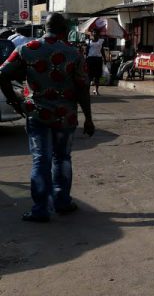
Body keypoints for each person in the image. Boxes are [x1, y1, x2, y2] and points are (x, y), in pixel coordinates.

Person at [0, 12, 95, 222]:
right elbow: (82, 89)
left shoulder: (26, 49)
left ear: (45, 29)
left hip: (36, 113)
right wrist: (88, 118)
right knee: (62, 158)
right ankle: (62, 202)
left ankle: (40, 209)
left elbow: (2, 74)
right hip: (65, 116)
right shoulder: (74, 53)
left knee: (40, 159)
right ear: (64, 31)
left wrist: (15, 103)